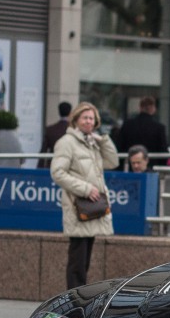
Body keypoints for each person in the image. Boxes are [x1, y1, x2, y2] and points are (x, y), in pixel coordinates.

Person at [50, 102, 120, 289]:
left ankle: (77, 295)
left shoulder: (92, 143)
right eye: (85, 118)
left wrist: (103, 140)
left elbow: (113, 161)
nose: (89, 121)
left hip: (91, 207)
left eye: (91, 118)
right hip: (78, 205)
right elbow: (57, 172)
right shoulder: (66, 142)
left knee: (85, 258)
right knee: (77, 259)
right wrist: (85, 189)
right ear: (76, 119)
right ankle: (73, 298)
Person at [114, 96, 168, 168]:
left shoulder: (127, 125)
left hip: (131, 166)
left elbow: (119, 146)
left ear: (140, 107)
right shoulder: (159, 127)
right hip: (151, 167)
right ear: (153, 108)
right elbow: (163, 151)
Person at [40, 101, 72, 169]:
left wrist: (39, 170)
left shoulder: (50, 130)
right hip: (69, 167)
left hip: (52, 166)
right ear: (70, 113)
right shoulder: (73, 130)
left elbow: (43, 151)